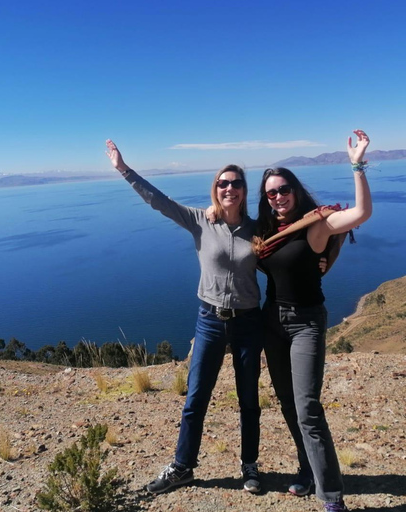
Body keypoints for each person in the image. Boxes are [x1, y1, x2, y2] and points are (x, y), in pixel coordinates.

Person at [105, 139, 264, 494]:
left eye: (236, 183)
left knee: (249, 399)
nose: (229, 189)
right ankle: (182, 466)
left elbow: (292, 243)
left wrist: (323, 257)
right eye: (223, 183)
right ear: (215, 189)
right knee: (195, 399)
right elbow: (159, 202)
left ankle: (250, 466)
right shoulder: (200, 221)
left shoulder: (258, 229)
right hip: (209, 320)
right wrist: (124, 170)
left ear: (244, 191)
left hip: (248, 322)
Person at [255, 130, 372, 512]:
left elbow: (361, 214)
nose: (278, 197)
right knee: (288, 403)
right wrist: (210, 211)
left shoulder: (316, 224)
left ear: (295, 189)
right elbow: (229, 225)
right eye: (271, 192)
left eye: (283, 189)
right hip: (271, 321)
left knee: (308, 408)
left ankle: (332, 496)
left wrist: (357, 165)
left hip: (306, 323)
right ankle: (308, 469)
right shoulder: (266, 231)